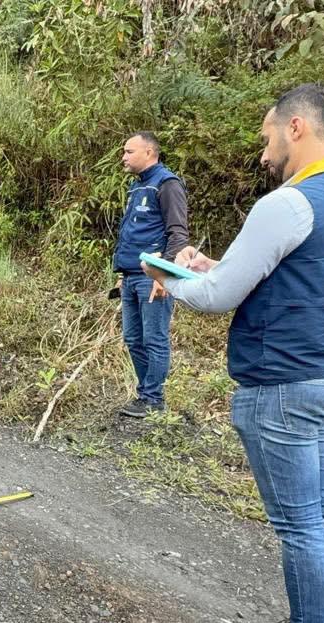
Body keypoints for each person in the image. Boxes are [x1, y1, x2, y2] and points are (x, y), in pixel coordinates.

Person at [143, 83, 324, 623]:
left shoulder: (288, 203)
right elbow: (283, 277)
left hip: (284, 380)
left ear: (296, 128)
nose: (264, 149)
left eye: (268, 134)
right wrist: (208, 267)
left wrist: (166, 276)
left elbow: (220, 298)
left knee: (301, 526)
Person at [113, 131, 189, 417]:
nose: (124, 157)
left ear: (149, 153)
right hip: (131, 277)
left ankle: (152, 399)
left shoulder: (166, 184)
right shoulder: (137, 187)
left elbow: (178, 233)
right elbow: (131, 233)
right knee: (133, 338)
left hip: (152, 278)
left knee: (154, 338)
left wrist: (164, 276)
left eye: (129, 151)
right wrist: (121, 272)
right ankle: (145, 394)